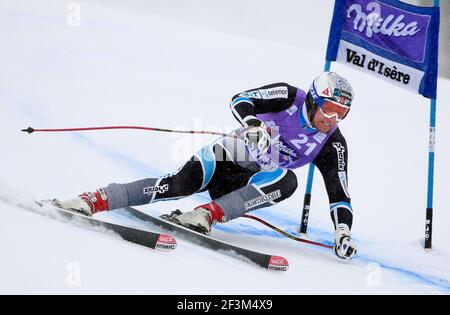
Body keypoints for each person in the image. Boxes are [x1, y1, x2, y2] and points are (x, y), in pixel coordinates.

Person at [56, 72, 357, 260]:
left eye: (342, 114)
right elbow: (242, 99)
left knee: (286, 180)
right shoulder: (290, 96)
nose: (333, 120)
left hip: (245, 187)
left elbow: (339, 191)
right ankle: (93, 200)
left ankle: (204, 215)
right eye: (330, 110)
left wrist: (343, 232)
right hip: (230, 155)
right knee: (176, 185)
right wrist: (252, 124)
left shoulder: (333, 142)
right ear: (314, 101)